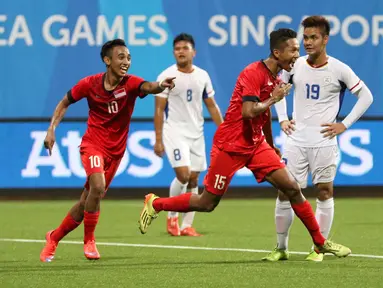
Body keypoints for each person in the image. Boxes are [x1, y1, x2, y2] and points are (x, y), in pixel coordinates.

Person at [139, 28, 351, 259]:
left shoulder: (276, 77)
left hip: (255, 144)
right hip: (230, 145)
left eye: (298, 50)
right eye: (293, 50)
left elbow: (264, 115)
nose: (297, 55)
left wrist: (269, 144)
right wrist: (274, 98)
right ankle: (156, 203)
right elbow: (249, 112)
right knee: (207, 203)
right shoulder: (253, 73)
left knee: (291, 187)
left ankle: (320, 243)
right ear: (277, 52)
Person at [39, 39, 176, 262]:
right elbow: (64, 102)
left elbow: (149, 87)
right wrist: (51, 129)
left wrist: (161, 85)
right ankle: (89, 241)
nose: (126, 62)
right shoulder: (89, 84)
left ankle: (53, 238)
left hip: (116, 152)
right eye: (121, 57)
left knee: (86, 202)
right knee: (98, 186)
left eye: (129, 58)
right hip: (93, 144)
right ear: (107, 60)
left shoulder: (131, 84)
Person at [262, 16, 373, 262]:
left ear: (325, 39)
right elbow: (276, 91)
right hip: (296, 142)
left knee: (324, 191)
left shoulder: (339, 69)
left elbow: (366, 97)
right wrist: (281, 119)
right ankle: (281, 247)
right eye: (306, 37)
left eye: (313, 37)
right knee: (285, 192)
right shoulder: (295, 65)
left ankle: (318, 248)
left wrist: (344, 124)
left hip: (324, 142)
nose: (308, 42)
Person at [154, 33, 223, 237]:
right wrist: (158, 139)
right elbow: (159, 110)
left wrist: (224, 129)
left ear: (194, 52)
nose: (181, 52)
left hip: (197, 133)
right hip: (174, 131)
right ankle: (171, 217)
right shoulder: (166, 76)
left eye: (185, 48)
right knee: (183, 175)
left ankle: (187, 225)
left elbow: (211, 105)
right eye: (177, 49)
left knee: (194, 179)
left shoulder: (202, 75)